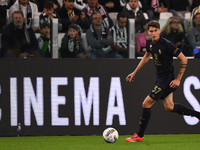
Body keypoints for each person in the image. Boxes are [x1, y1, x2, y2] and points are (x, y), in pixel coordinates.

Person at [125, 20, 200, 142]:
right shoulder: (150, 42)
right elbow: (147, 56)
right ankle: (198, 115)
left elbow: (183, 59)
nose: (153, 33)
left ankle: (139, 135)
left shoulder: (166, 44)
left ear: (159, 31)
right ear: (148, 32)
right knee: (169, 107)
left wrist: (178, 80)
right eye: (151, 31)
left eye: (155, 30)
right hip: (160, 78)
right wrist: (134, 72)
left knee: (146, 104)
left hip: (167, 80)